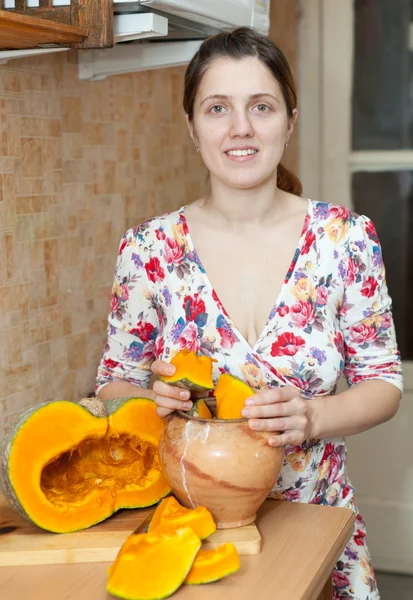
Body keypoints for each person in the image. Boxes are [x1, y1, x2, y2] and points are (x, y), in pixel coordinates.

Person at [95, 27, 402, 600]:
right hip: (193, 536)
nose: (241, 128)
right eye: (218, 109)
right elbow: (114, 385)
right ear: (192, 126)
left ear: (289, 119)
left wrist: (311, 418)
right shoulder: (148, 249)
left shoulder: (346, 239)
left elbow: (384, 383)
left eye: (260, 107)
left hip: (319, 525)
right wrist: (148, 403)